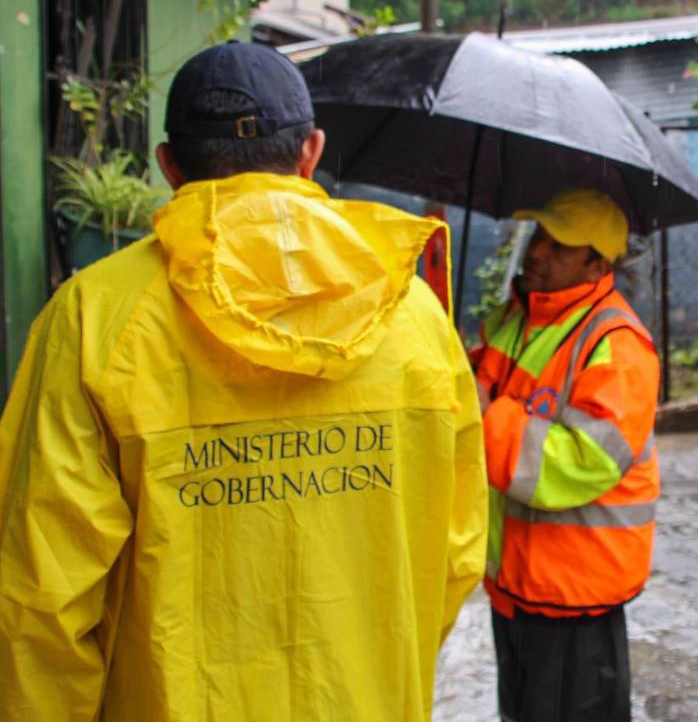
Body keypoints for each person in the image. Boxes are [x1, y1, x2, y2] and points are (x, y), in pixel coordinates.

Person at [0, 41, 487, 720]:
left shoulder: (93, 320)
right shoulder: (414, 316)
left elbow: (40, 597)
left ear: (169, 166)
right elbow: (456, 551)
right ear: (311, 151)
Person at [472, 188, 659, 722]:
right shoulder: (521, 314)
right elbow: (479, 379)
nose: (537, 253)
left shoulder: (617, 346)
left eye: (559, 246)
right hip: (517, 583)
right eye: (538, 236)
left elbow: (577, 463)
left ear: (598, 262)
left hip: (572, 595)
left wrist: (485, 418)